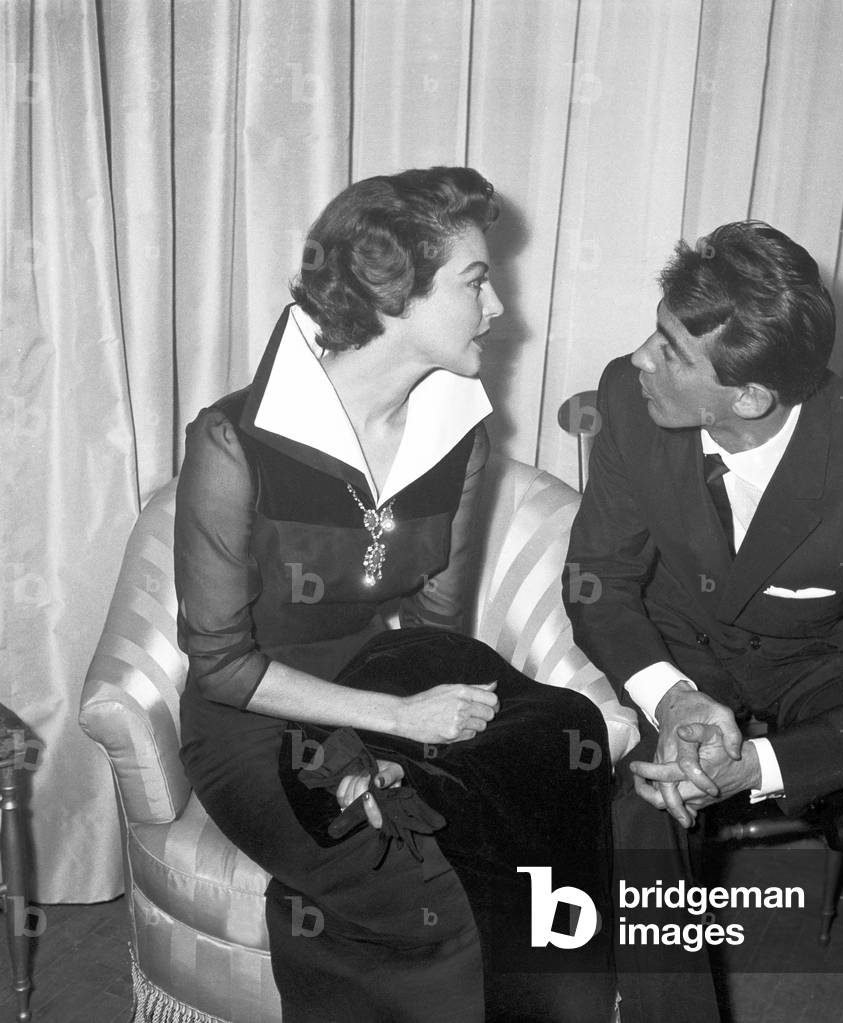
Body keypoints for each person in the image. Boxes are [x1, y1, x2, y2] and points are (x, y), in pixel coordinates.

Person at [175, 167, 615, 1023]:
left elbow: (435, 628)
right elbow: (223, 667)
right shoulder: (234, 443)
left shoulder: (461, 433)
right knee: (438, 899)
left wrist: (426, 731)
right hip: (253, 730)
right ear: (390, 290)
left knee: (549, 808)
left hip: (387, 681)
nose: (498, 310)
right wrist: (400, 726)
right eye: (476, 280)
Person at [563, 221, 843, 1023]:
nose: (642, 358)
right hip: (681, 653)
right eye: (657, 331)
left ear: (748, 397)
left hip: (829, 674)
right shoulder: (627, 399)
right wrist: (673, 700)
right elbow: (599, 578)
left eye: (672, 352)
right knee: (639, 810)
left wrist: (761, 765)